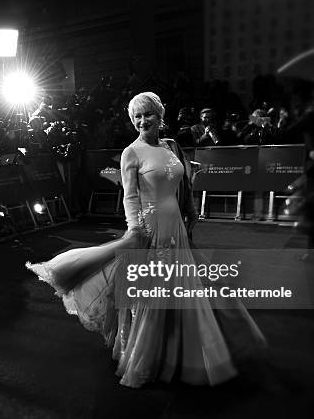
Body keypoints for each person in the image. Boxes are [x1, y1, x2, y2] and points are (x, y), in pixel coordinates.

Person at [26, 92, 265, 388]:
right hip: (150, 229)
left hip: (176, 225)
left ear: (160, 115)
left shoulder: (171, 146)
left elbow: (184, 181)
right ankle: (149, 356)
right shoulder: (131, 152)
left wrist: (190, 209)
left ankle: (181, 352)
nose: (142, 121)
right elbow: (129, 195)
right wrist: (134, 229)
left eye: (147, 114)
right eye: (136, 117)